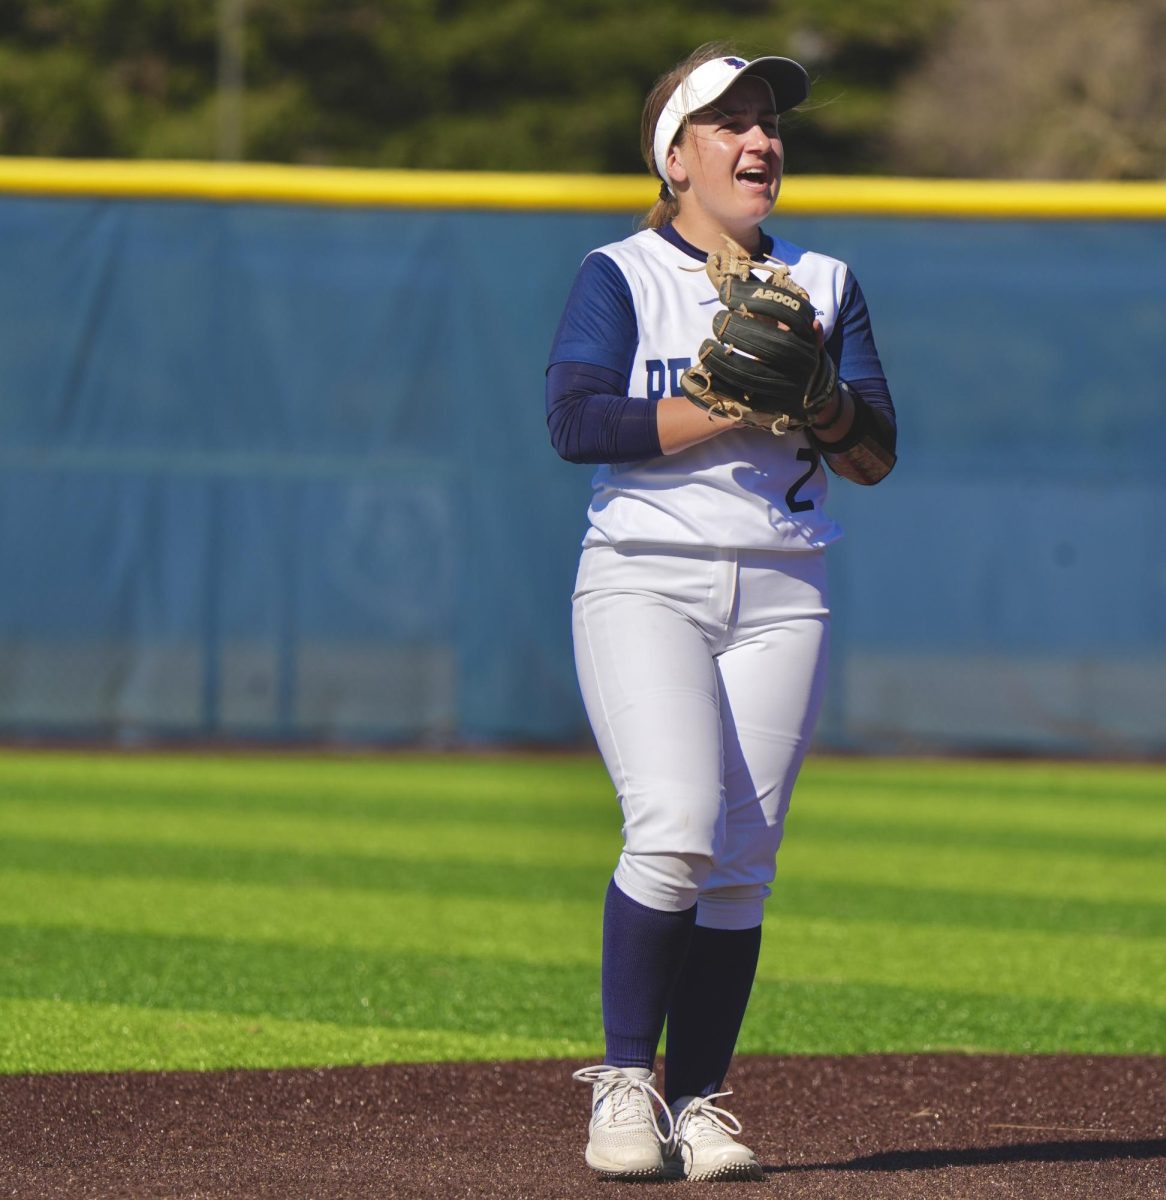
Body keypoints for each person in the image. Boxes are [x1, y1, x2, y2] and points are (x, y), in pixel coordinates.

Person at [546, 42, 897, 1182]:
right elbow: (575, 423)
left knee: (741, 864)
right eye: (731, 122)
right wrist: (719, 405)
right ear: (675, 155)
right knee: (673, 827)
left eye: (769, 124)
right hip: (644, 575)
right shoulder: (620, 273)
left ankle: (697, 1101)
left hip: (783, 590)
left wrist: (824, 399)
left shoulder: (824, 283)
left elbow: (874, 455)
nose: (761, 140)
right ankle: (621, 1082)